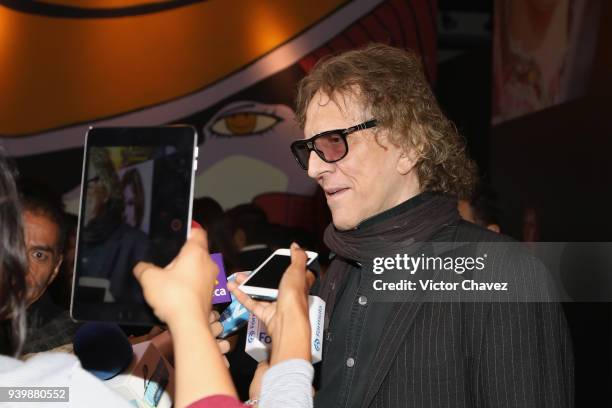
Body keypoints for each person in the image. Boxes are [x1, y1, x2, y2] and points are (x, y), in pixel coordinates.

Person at [288, 44, 573, 407]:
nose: (314, 169)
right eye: (308, 149)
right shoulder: (337, 276)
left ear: (409, 145)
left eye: (333, 143)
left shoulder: (502, 272)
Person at [1, 150, 315, 408]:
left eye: (38, 253)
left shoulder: (36, 382)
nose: (18, 263)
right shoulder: (44, 383)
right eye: (10, 245)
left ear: (57, 265)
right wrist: (290, 356)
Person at [18, 186, 81, 354]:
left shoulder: (72, 335)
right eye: (14, 245)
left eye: (38, 255)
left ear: (55, 268)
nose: (22, 265)